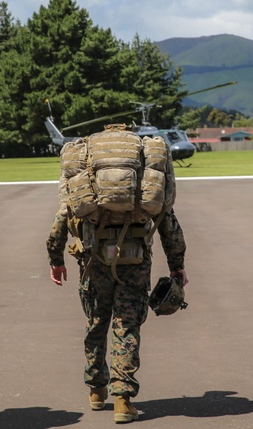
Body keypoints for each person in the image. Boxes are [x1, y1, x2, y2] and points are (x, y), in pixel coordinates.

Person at [47, 124, 187, 424]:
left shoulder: (86, 158)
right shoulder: (146, 160)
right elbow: (167, 221)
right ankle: (122, 399)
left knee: (96, 322)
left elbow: (64, 213)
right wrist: (177, 265)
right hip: (135, 259)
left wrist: (55, 257)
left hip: (92, 257)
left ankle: (97, 390)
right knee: (127, 325)